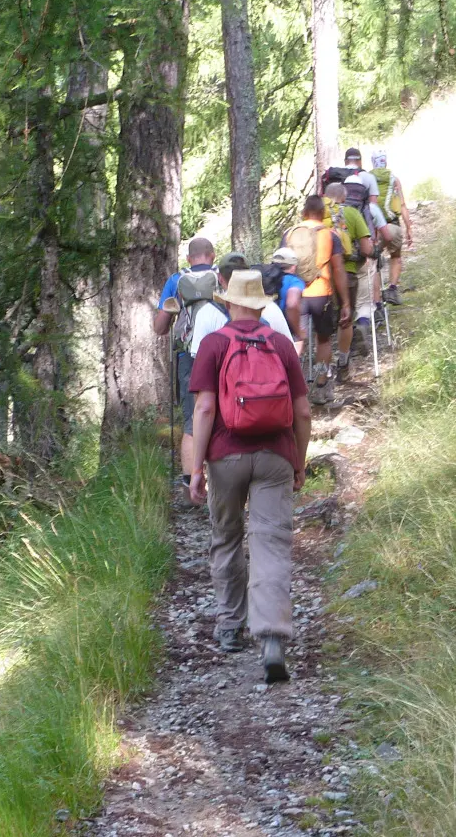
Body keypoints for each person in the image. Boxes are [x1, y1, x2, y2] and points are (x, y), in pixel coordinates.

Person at [188, 269, 312, 683]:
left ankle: (228, 627)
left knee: (226, 536)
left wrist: (196, 469)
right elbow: (303, 411)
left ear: (228, 302)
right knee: (270, 542)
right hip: (275, 455)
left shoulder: (213, 344)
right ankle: (272, 637)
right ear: (260, 304)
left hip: (225, 456)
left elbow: (204, 410)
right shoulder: (279, 343)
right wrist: (300, 460)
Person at [152, 236, 218, 488]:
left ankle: (191, 487)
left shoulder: (176, 281)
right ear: (211, 255)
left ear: (189, 258)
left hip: (187, 357)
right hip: (222, 353)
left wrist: (170, 311)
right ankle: (223, 485)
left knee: (192, 422)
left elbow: (159, 328)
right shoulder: (223, 276)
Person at [282, 195, 347, 406]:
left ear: (303, 212)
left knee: (296, 339)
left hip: (295, 292)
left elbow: (280, 266)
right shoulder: (330, 235)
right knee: (324, 339)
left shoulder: (289, 234)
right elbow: (338, 269)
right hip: (321, 292)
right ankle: (320, 385)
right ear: (322, 213)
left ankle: (288, 388)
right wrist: (345, 301)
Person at [324, 182, 373, 377]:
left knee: (324, 326)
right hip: (347, 272)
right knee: (345, 319)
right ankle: (343, 364)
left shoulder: (317, 216)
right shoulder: (352, 213)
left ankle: (323, 372)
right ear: (343, 197)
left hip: (320, 277)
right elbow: (367, 249)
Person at [368, 149, 415, 305]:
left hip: (375, 230)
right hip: (393, 227)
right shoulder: (394, 180)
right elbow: (402, 206)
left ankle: (377, 300)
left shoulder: (367, 178)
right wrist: (409, 228)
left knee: (374, 260)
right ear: (385, 161)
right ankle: (392, 289)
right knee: (395, 256)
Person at [268, 247, 306, 352]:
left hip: (261, 325)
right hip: (283, 327)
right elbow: (292, 304)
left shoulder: (264, 277)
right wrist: (298, 332)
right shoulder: (294, 281)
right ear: (293, 267)